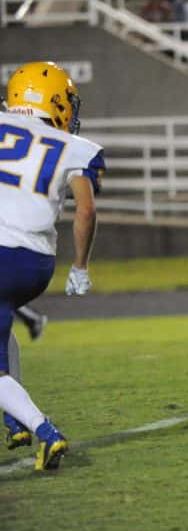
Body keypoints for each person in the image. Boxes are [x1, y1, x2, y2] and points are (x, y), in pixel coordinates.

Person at [1, 61, 105, 471]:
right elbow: (86, 211)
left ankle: (44, 431)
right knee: (3, 324)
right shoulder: (76, 147)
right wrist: (80, 268)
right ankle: (14, 420)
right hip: (35, 264)